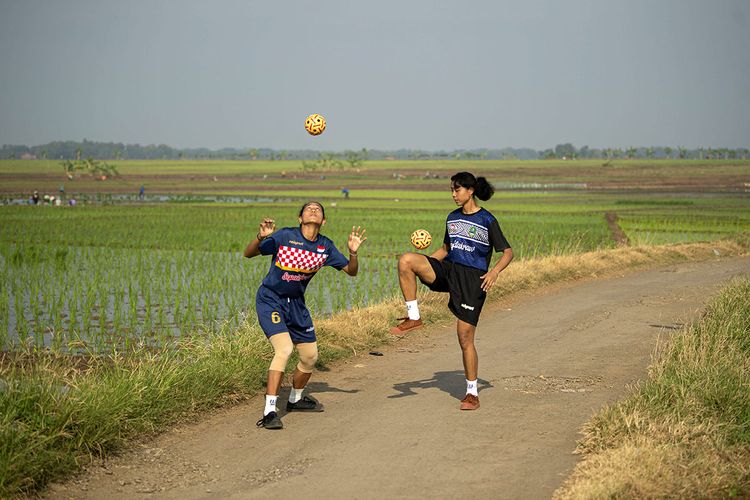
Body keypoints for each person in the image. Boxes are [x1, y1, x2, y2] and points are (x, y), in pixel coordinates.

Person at [391, 172, 513, 411]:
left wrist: (494, 272)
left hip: (472, 279)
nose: (453, 194)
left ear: (470, 191)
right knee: (407, 260)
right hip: (450, 270)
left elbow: (507, 252)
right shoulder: (452, 218)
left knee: (464, 338)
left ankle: (471, 393)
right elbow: (446, 249)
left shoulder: (487, 219)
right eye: (451, 190)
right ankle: (414, 316)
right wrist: (425, 263)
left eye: (457, 190)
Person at [244, 201, 366, 429]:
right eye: (308, 208)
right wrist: (261, 238)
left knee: (310, 356)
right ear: (300, 218)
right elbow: (248, 254)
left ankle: (295, 399)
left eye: (318, 209)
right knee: (284, 349)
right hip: (271, 299)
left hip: (296, 305)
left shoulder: (325, 247)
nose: (313, 210)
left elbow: (351, 271)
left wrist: (352, 253)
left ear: (324, 221)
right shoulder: (284, 237)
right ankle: (270, 411)